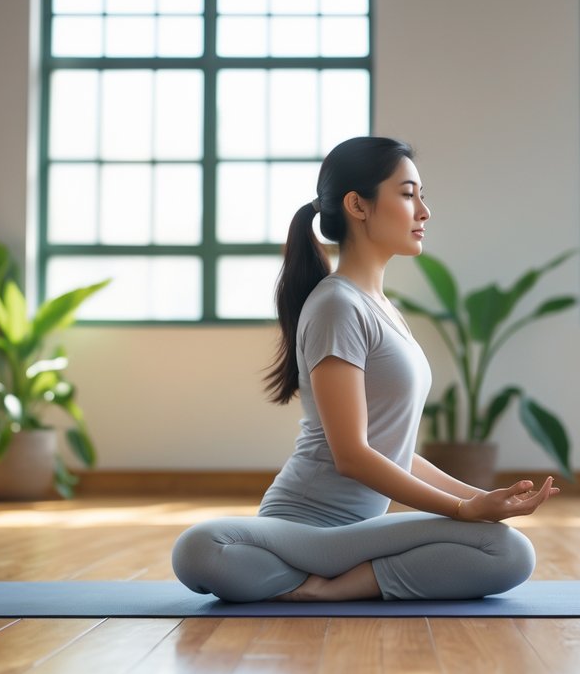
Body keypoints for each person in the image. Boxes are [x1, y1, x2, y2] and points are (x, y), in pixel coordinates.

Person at [172, 136, 556, 602]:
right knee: (199, 548)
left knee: (507, 551)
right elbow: (352, 455)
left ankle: (325, 588)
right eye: (408, 194)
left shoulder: (380, 307)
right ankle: (324, 583)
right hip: (304, 529)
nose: (424, 212)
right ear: (358, 205)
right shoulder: (337, 305)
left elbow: (394, 451)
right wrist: (461, 509)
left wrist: (478, 500)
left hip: (358, 534)